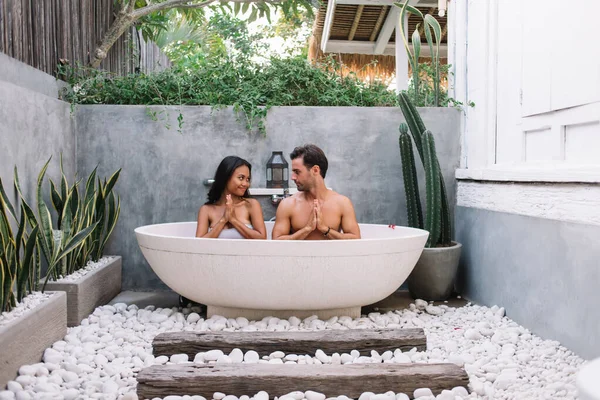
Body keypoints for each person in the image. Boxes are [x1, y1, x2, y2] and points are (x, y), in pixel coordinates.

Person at [272, 144, 361, 240]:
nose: (292, 177)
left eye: (297, 172)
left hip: (330, 255)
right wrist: (306, 229)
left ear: (315, 170)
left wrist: (325, 229)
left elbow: (355, 239)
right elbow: (276, 242)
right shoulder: (287, 204)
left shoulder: (342, 203)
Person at [196, 156, 267, 239]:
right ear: (225, 177)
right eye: (241, 178)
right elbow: (199, 245)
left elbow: (262, 239)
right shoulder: (206, 210)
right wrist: (223, 220)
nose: (245, 184)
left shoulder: (251, 205)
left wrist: (233, 220)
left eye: (248, 179)